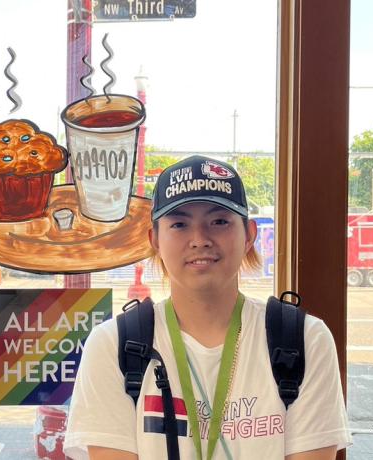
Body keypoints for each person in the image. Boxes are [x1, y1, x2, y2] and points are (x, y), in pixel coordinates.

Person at [63, 156, 351, 459]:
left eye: (219, 221)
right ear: (155, 240)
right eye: (179, 224)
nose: (199, 239)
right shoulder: (113, 345)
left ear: (249, 235)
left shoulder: (305, 339)